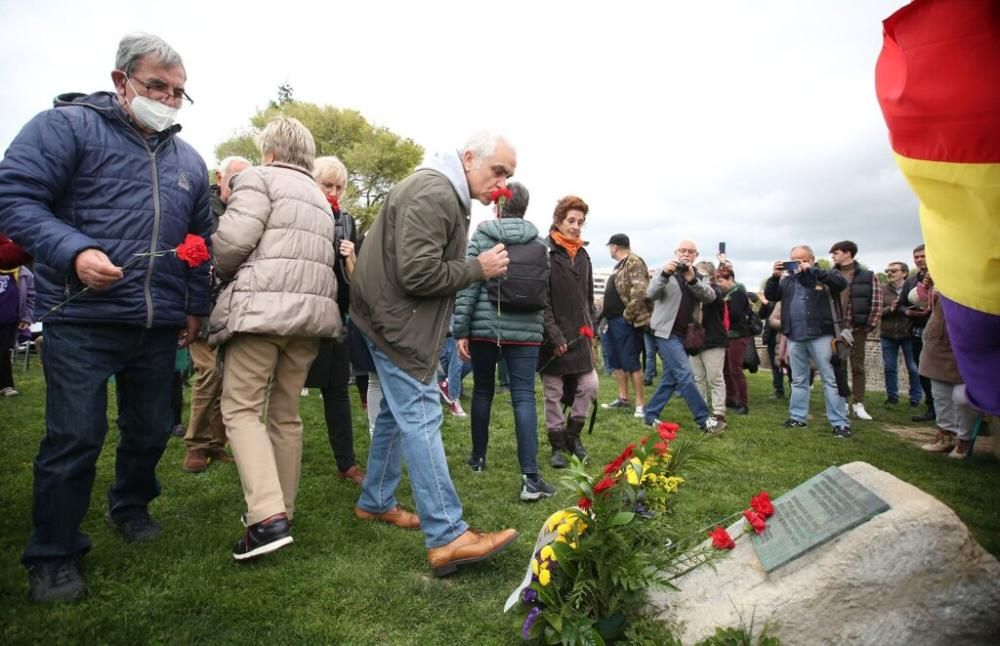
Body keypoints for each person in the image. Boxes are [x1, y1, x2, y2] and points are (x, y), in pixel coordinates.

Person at [0, 33, 213, 603]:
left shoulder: (189, 160)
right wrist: (74, 250)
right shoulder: (63, 128)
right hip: (82, 316)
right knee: (75, 435)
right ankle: (54, 552)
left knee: (148, 429)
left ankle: (131, 505)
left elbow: (199, 242)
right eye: (156, 87)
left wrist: (194, 306)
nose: (168, 100)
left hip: (155, 321)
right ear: (121, 82)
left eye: (178, 92)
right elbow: (15, 199)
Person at [350, 130, 518, 577]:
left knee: (395, 412)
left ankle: (375, 501)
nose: (502, 183)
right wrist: (477, 269)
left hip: (385, 315)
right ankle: (448, 536)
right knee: (422, 413)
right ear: (468, 158)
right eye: (497, 170)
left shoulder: (442, 190)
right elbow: (418, 274)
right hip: (396, 321)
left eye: (509, 175)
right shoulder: (436, 191)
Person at [209, 117, 342, 560]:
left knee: (241, 408)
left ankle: (265, 517)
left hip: (262, 313)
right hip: (309, 318)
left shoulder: (258, 179)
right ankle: (283, 510)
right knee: (286, 413)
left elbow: (232, 244)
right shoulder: (321, 200)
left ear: (269, 151)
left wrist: (218, 267)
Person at [454, 181, 555, 500]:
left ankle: (478, 459)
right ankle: (530, 476)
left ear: (497, 205)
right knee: (524, 396)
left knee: (483, 390)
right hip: (526, 330)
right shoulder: (540, 243)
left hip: (486, 328)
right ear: (524, 206)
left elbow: (469, 284)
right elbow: (544, 289)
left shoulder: (484, 236)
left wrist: (461, 329)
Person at [181, 155, 250, 473]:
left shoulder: (244, 212)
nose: (240, 186)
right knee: (208, 373)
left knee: (226, 377)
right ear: (220, 176)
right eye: (235, 179)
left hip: (231, 306)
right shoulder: (201, 209)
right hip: (200, 303)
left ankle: (215, 443)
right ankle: (195, 445)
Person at [302, 156, 365, 486]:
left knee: (337, 390)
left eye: (339, 186)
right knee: (284, 393)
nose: (334, 192)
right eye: (327, 184)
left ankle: (347, 463)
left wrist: (350, 256)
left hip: (334, 316)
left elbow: (355, 281)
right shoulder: (300, 213)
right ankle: (277, 459)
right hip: (301, 316)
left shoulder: (349, 221)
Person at [537, 196, 599, 468]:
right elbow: (543, 301)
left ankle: (573, 436)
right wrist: (554, 336)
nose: (576, 226)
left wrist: (592, 328)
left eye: (580, 222)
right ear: (558, 221)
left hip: (581, 337)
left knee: (590, 385)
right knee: (553, 392)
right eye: (571, 221)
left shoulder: (584, 255)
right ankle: (558, 445)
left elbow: (587, 299)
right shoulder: (545, 253)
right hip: (554, 338)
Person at [765, 245, 852, 438]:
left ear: (811, 259)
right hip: (795, 335)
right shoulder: (788, 280)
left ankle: (839, 423)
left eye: (801, 260)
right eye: (793, 260)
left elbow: (841, 283)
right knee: (798, 379)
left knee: (831, 379)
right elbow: (771, 295)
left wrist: (811, 271)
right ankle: (797, 417)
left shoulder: (824, 275)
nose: (796, 264)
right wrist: (774, 276)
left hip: (822, 334)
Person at [642, 240, 717, 432]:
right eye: (682, 250)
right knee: (685, 374)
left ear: (696, 255)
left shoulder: (699, 276)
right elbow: (651, 294)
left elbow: (709, 297)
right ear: (676, 252)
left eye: (690, 252)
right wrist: (665, 274)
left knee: (671, 378)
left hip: (687, 334)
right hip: (666, 333)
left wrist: (692, 280)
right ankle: (703, 420)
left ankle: (650, 414)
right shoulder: (664, 270)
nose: (686, 254)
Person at [915, 276, 975, 458]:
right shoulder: (941, 275)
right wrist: (926, 287)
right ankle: (945, 436)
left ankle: (964, 439)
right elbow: (917, 302)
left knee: (963, 396)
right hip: (939, 342)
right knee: (940, 394)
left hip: (969, 342)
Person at [830, 241, 882, 420]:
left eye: (836, 252)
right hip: (837, 328)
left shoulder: (867, 276)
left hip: (858, 328)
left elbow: (876, 302)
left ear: (848, 253)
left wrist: (868, 326)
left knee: (858, 366)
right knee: (840, 366)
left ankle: (858, 403)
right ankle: (843, 401)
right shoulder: (831, 275)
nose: (833, 256)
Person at [600, 234, 651, 418]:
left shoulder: (634, 261)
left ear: (614, 247)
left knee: (631, 362)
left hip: (625, 321)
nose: (610, 251)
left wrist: (627, 316)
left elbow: (640, 291)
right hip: (611, 321)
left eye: (610, 248)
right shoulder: (619, 266)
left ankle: (640, 404)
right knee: (616, 361)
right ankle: (623, 398)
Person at [684, 261, 728, 431]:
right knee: (698, 378)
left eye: (701, 274)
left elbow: (708, 298)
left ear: (710, 276)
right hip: (695, 341)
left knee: (715, 378)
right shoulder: (690, 293)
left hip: (713, 340)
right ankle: (701, 409)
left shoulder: (716, 292)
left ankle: (718, 412)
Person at [879, 260, 922, 407]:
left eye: (894, 270)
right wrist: (889, 309)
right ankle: (892, 397)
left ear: (904, 273)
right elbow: (876, 312)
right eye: (888, 271)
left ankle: (915, 397)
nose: (889, 273)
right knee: (889, 367)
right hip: (888, 334)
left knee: (913, 367)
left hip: (908, 333)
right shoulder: (882, 290)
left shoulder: (913, 289)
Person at [901, 244, 935, 422]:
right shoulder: (911, 282)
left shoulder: (943, 278)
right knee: (922, 369)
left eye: (923, 256)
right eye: (917, 257)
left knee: (942, 370)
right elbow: (901, 304)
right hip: (917, 330)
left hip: (941, 332)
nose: (919, 259)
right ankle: (931, 407)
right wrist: (907, 312)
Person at [715, 265, 752, 416]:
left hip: (738, 335)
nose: (719, 284)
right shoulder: (726, 294)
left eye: (721, 280)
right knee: (726, 369)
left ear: (730, 278)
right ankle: (730, 398)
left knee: (735, 369)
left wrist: (722, 312)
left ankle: (743, 402)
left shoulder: (737, 293)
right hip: (727, 336)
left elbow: (736, 314)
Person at [0, 264, 35, 397]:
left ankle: (6, 385)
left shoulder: (23, 272)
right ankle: (5, 385)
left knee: (3, 351)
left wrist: (26, 318)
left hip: (9, 320)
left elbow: (32, 297)